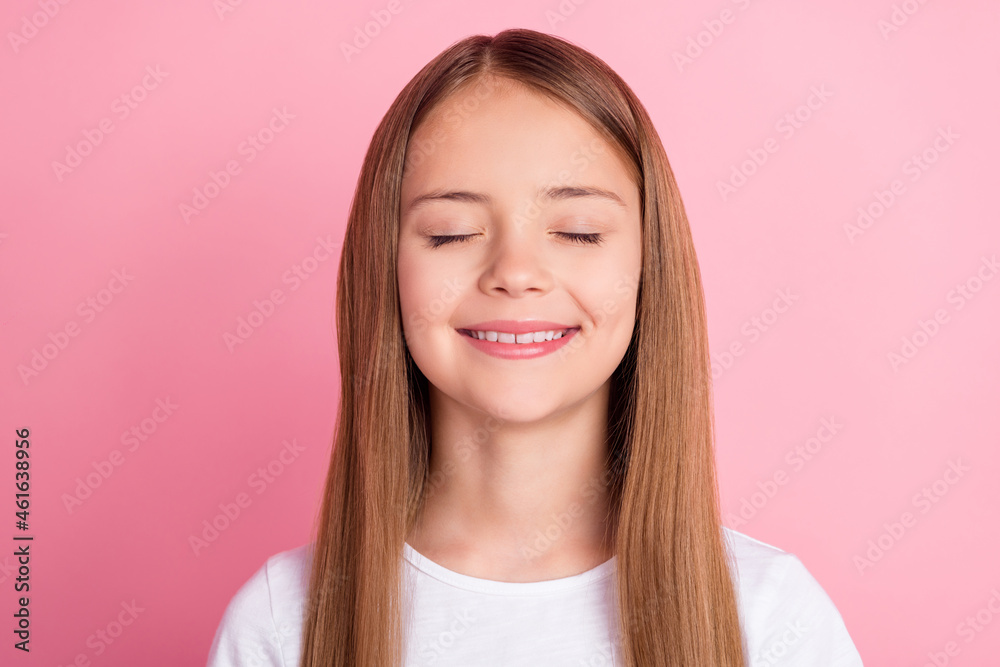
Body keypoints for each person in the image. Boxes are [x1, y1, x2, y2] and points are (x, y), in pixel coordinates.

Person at [206, 28, 864, 666]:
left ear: (648, 266)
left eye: (577, 231)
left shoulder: (771, 618)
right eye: (451, 232)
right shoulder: (281, 623)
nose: (515, 271)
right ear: (385, 270)